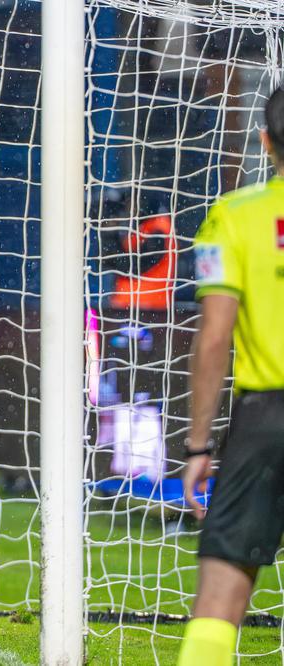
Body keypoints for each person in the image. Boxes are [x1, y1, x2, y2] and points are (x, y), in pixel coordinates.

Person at [178, 87, 284, 666]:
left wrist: (198, 446)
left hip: (264, 422)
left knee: (219, 603)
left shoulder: (235, 215)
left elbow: (215, 336)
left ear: (265, 143)